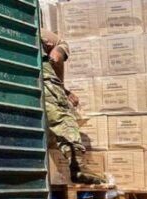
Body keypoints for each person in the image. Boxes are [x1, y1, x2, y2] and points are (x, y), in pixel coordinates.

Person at [40, 29, 105, 185]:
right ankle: (78, 166)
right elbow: (56, 56)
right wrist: (60, 90)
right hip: (38, 75)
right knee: (61, 116)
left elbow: (56, 55)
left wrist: (64, 90)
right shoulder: (40, 32)